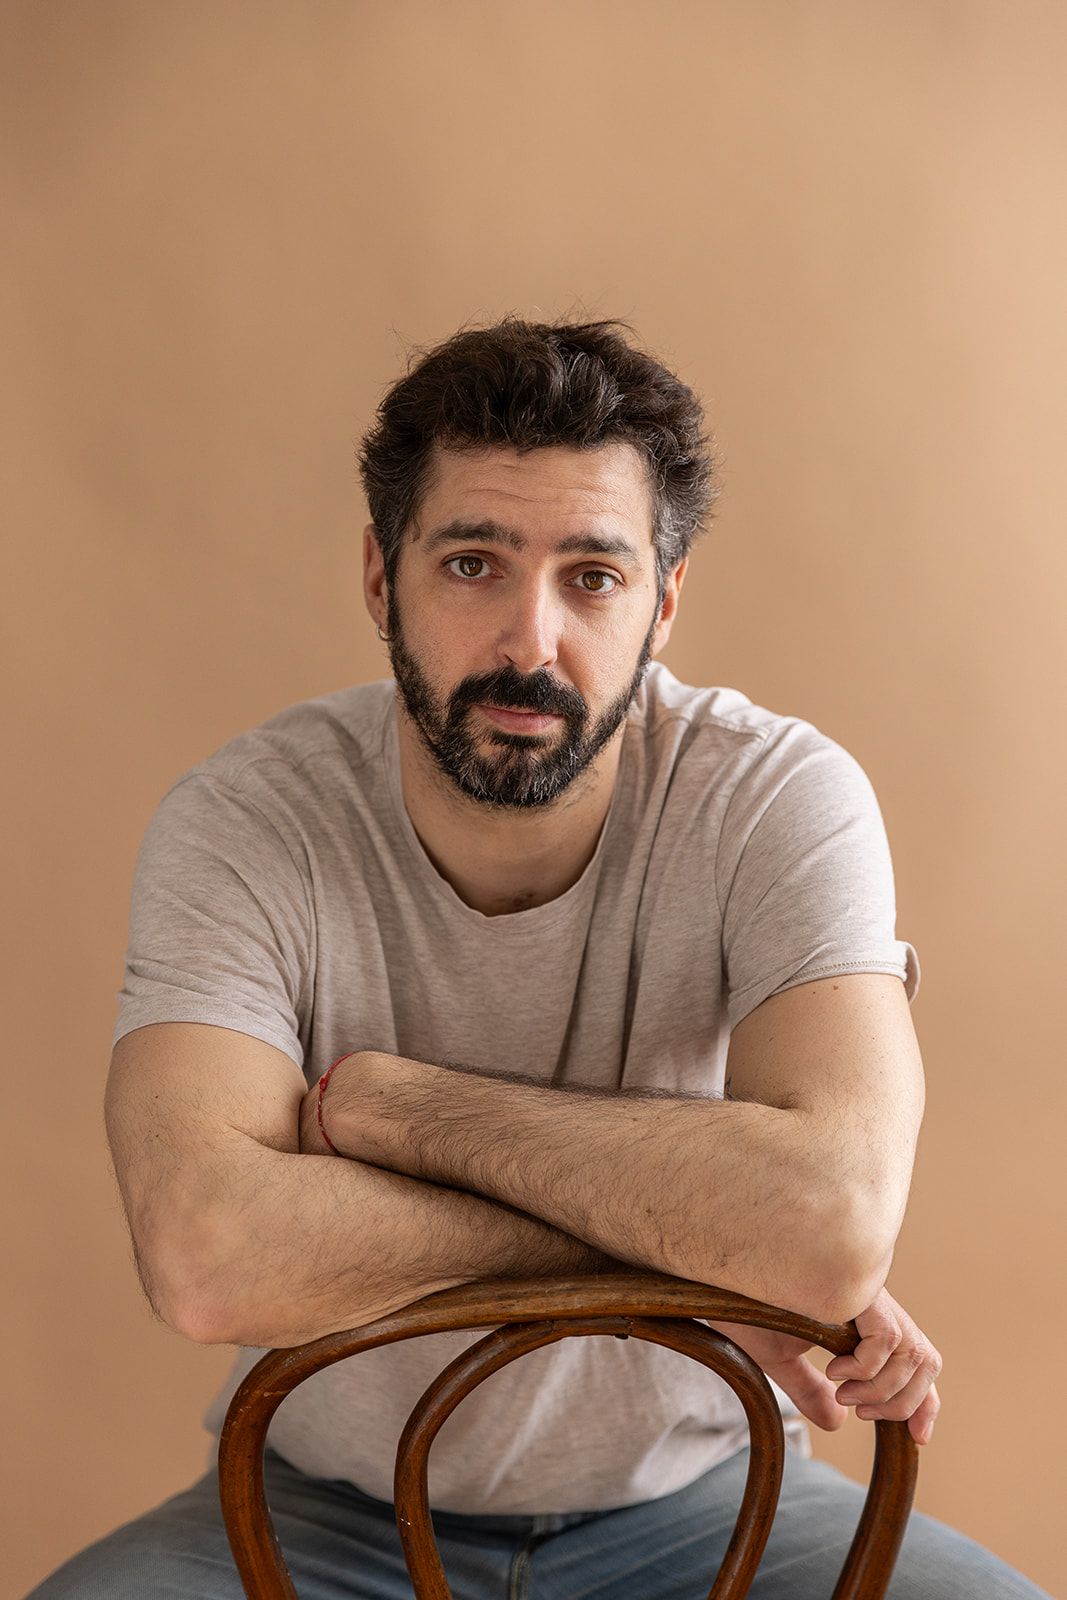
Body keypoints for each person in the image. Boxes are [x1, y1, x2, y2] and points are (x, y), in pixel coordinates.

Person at [28, 319, 1047, 1598]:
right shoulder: (246, 819)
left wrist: (392, 1112)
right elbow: (205, 1252)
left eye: (592, 577)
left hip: (714, 1506)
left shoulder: (776, 797)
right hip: (315, 1518)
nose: (528, 639)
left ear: (662, 602)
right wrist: (696, 1251)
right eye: (471, 564)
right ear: (379, 577)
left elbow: (830, 1225)